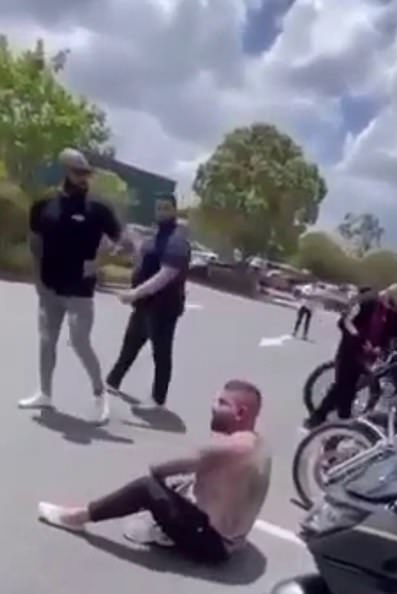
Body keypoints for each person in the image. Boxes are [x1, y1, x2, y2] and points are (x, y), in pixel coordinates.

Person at [37, 379, 272, 565]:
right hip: (234, 540)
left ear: (240, 413)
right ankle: (170, 528)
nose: (213, 407)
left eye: (221, 403)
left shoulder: (227, 447)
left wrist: (166, 484)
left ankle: (77, 517)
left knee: (146, 487)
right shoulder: (258, 445)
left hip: (213, 546)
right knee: (184, 484)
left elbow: (159, 467)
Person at [18, 148, 131, 424]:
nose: (82, 177)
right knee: (46, 341)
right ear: (65, 171)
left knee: (79, 341)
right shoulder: (44, 202)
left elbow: (126, 243)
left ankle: (99, 394)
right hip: (48, 286)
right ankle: (44, 393)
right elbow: (35, 242)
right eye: (77, 171)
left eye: (85, 173)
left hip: (80, 289)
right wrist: (36, 278)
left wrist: (99, 261)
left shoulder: (98, 208)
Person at [105, 193, 191, 409]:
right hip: (144, 306)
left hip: (163, 308)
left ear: (174, 210)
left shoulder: (176, 241)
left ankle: (158, 399)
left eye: (165, 208)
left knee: (161, 353)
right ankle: (112, 381)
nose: (161, 211)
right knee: (130, 344)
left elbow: (167, 274)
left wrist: (134, 293)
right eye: (158, 207)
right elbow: (141, 259)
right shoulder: (155, 237)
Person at [304, 283, 397, 429]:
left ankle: (325, 420)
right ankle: (332, 421)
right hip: (350, 349)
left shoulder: (388, 310)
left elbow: (386, 332)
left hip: (366, 354)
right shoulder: (367, 301)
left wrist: (379, 347)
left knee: (347, 387)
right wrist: (360, 340)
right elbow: (345, 322)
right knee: (344, 386)